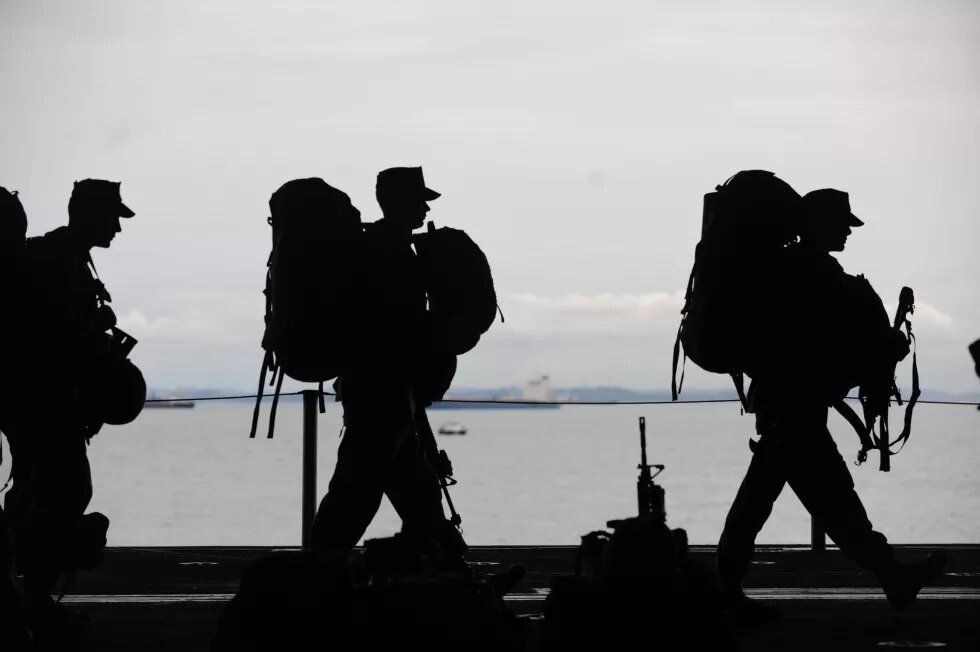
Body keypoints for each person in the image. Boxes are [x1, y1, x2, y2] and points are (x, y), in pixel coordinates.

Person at [716, 187, 947, 621]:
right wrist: (888, 343)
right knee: (810, 502)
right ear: (817, 224)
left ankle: (891, 575)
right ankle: (724, 589)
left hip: (789, 406)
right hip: (793, 408)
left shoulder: (797, 270)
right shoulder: (811, 273)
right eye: (842, 224)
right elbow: (832, 337)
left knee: (806, 501)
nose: (847, 231)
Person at [310, 167, 472, 568]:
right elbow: (398, 331)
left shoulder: (386, 248)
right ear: (398, 202)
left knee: (418, 495)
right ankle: (313, 576)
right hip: (380, 397)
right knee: (355, 495)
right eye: (419, 200)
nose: (424, 209)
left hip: (389, 396)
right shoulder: (389, 253)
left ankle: (454, 570)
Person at [2, 179, 134, 637]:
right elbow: (51, 337)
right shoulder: (58, 260)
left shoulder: (66, 257)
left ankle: (21, 598)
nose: (118, 226)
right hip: (43, 401)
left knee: (33, 493)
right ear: (87, 214)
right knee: (66, 492)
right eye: (112, 216)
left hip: (38, 401)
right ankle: (35, 601)